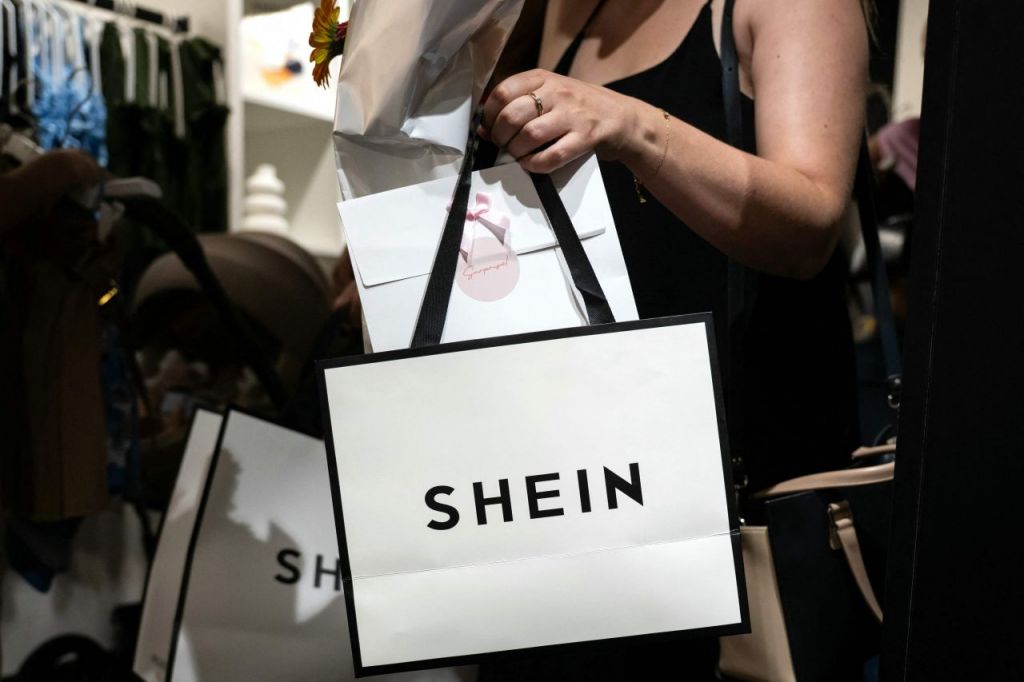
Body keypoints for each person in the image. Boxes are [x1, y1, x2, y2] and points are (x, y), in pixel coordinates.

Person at [479, 2, 868, 678]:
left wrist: (633, 126)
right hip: (567, 493)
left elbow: (810, 227)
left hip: (730, 506)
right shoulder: (554, 11)